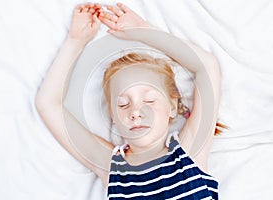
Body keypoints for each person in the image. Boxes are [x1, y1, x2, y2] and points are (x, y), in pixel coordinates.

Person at [35, 2, 224, 199]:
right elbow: (47, 104)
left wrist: (144, 31)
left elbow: (207, 66)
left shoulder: (189, 153)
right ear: (113, 116)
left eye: (149, 100)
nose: (135, 112)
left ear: (172, 107)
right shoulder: (113, 168)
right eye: (123, 104)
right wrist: (75, 41)